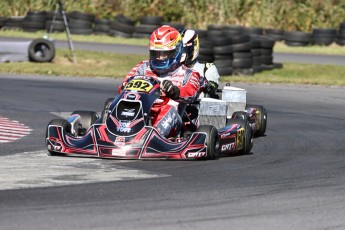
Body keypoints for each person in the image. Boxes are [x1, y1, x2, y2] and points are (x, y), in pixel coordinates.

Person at [118, 25, 202, 138]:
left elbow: (191, 93)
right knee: (113, 104)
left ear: (176, 51)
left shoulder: (189, 73)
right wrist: (126, 85)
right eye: (156, 54)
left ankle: (152, 137)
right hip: (140, 109)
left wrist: (174, 91)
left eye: (164, 54)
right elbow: (122, 88)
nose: (159, 58)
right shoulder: (143, 67)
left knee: (170, 108)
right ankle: (111, 132)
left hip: (172, 119)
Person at [180, 29, 220, 98]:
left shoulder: (207, 69)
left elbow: (212, 88)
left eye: (183, 49)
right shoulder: (171, 70)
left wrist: (204, 83)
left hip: (197, 106)